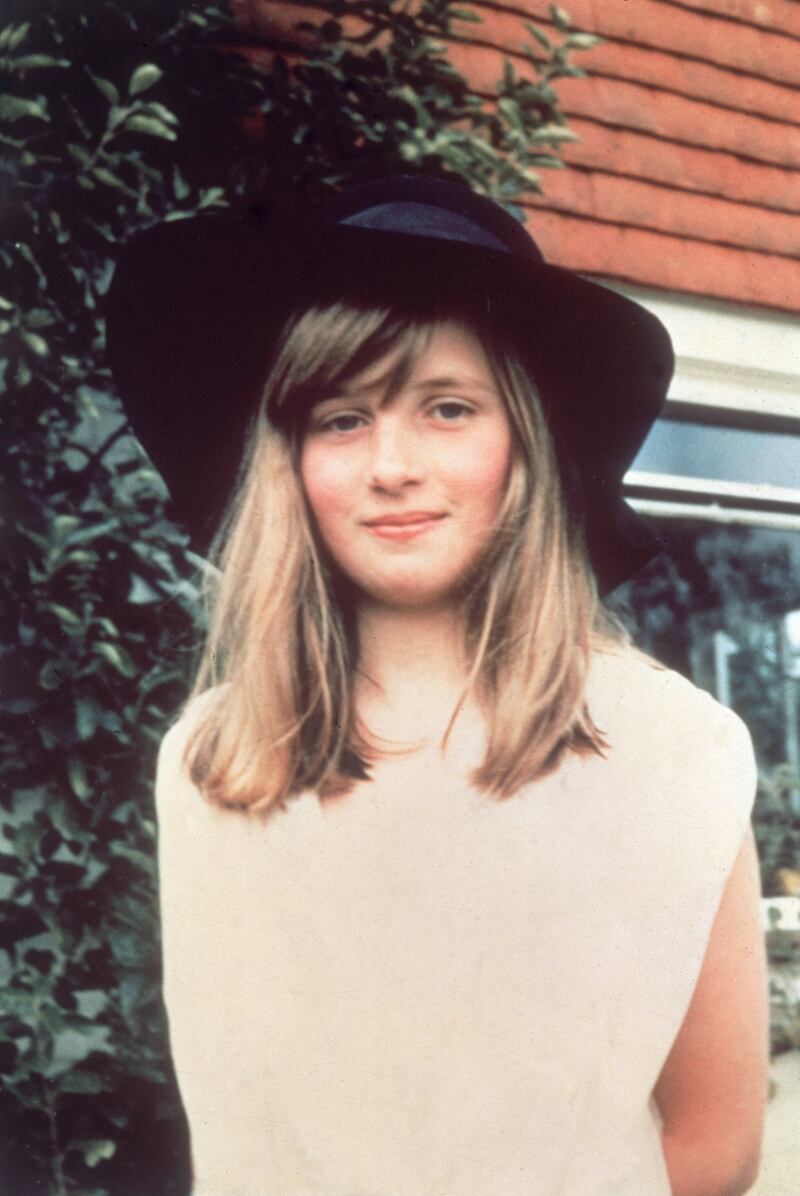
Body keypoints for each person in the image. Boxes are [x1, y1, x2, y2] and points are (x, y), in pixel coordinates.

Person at [106, 176, 769, 1196]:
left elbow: (712, 1142)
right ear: (288, 459)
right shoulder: (215, 756)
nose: (391, 464)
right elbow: (238, 1142)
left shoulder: (674, 747)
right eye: (339, 417)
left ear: (523, 444)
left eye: (446, 408)